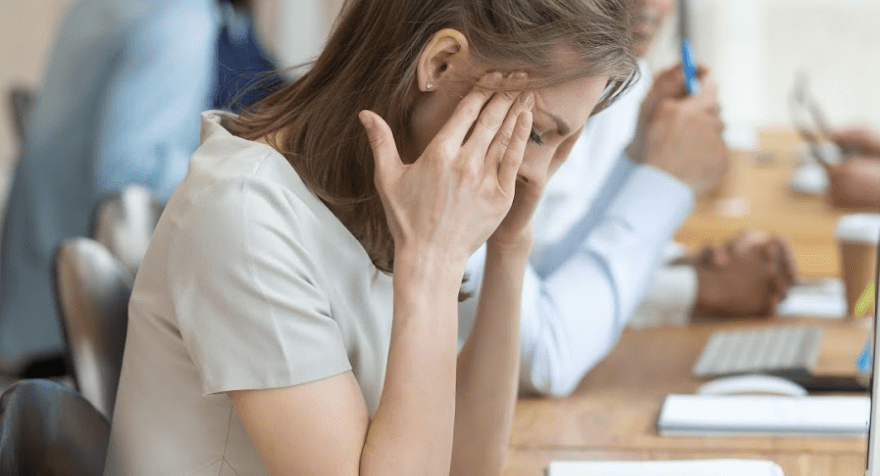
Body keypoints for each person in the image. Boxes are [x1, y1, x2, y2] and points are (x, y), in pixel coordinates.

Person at [104, 0, 639, 474]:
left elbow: (467, 466)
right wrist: (431, 262)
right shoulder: (244, 214)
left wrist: (508, 246)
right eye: (538, 133)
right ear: (440, 64)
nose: (538, 170)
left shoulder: (390, 203)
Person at [458, 0, 797, 398]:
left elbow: (535, 273)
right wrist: (663, 184)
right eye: (539, 134)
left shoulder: (622, 77)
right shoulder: (488, 90)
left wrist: (639, 160)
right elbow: (546, 353)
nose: (650, 7)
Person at [0, 0, 220, 374]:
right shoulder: (178, 18)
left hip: (35, 294)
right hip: (81, 322)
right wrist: (226, 175)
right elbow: (128, 174)